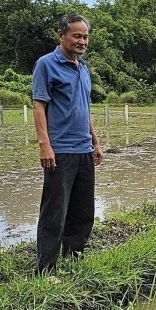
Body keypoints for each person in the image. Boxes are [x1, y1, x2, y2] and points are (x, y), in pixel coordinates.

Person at [32, 14, 104, 274]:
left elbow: (85, 109)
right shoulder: (46, 65)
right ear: (61, 35)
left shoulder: (83, 67)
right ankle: (46, 270)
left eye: (85, 37)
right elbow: (39, 106)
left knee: (83, 211)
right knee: (54, 213)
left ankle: (74, 258)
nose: (82, 41)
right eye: (76, 35)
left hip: (84, 149)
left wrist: (95, 143)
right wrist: (44, 145)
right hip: (60, 151)